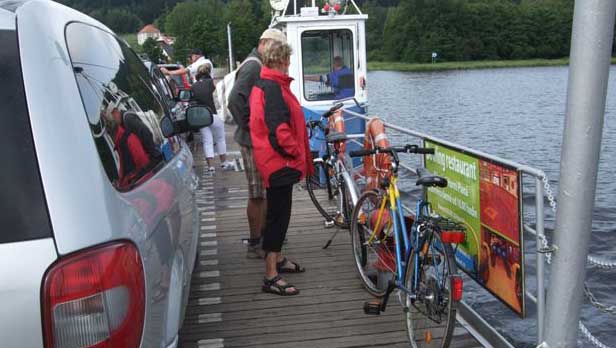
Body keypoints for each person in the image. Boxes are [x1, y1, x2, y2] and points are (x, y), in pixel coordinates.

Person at [249, 40, 313, 296]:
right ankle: (270, 275)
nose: (289, 65)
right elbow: (279, 130)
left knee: (278, 215)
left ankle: (278, 260)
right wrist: (297, 152)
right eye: (287, 60)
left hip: (274, 161)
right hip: (279, 163)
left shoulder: (268, 84)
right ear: (280, 61)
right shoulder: (273, 87)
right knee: (278, 217)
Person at [228, 28, 287, 258]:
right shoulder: (254, 66)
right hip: (251, 141)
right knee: (257, 193)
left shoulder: (255, 63)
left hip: (254, 140)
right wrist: (251, 126)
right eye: (276, 47)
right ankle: (255, 242)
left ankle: (262, 236)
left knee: (261, 190)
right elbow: (235, 99)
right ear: (265, 43)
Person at [192, 64, 235, 172]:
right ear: (209, 73)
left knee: (207, 141)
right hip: (214, 114)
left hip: (202, 117)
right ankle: (224, 163)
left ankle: (211, 166)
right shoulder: (213, 83)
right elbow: (221, 94)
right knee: (220, 139)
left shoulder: (194, 86)